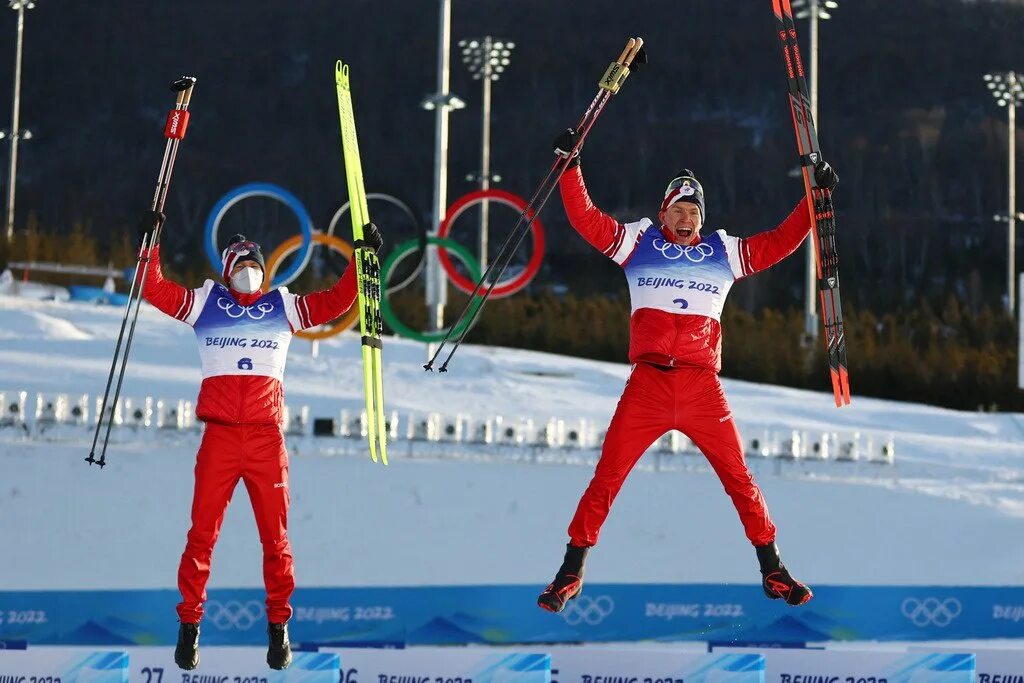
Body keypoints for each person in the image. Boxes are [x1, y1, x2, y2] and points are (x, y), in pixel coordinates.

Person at [537, 129, 839, 614]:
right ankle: (571, 571)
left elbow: (781, 242)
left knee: (739, 477)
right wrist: (570, 168)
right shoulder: (636, 243)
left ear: (702, 218)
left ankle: (773, 569)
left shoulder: (722, 251)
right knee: (607, 476)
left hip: (702, 388)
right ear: (664, 213)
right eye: (678, 210)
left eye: (693, 212)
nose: (685, 218)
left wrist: (814, 197)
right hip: (649, 385)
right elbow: (585, 218)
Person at [136, 215, 383, 670]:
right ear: (227, 266)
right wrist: (149, 246)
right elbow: (153, 289)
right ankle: (189, 627)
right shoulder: (204, 303)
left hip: (267, 441)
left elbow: (336, 302)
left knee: (276, 540)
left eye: (256, 261)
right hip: (220, 438)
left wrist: (362, 259)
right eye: (242, 261)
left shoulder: (282, 306)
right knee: (201, 537)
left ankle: (279, 629)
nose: (249, 268)